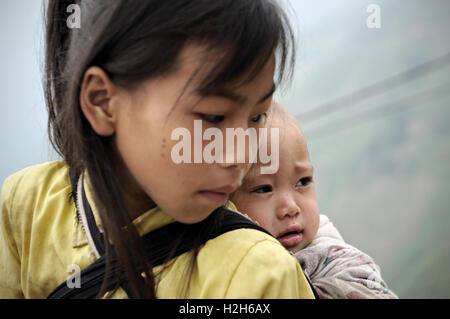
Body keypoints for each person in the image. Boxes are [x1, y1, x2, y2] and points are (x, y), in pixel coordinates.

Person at [0, 0, 315, 299]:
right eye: (214, 117)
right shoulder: (25, 207)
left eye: (257, 117)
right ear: (102, 102)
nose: (243, 156)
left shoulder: (260, 275)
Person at [231, 103, 398, 299]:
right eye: (263, 189)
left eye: (302, 182)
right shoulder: (227, 262)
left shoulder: (332, 256)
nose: (291, 208)